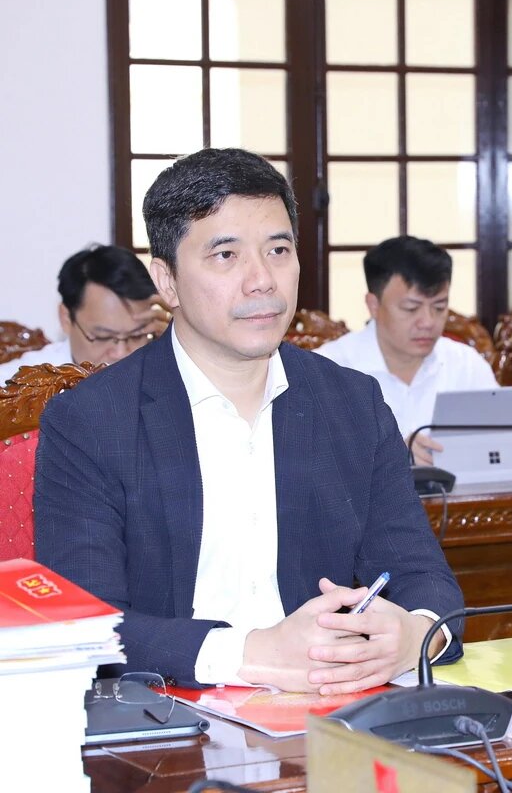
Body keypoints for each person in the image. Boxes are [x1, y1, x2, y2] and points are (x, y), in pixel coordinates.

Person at [34, 147, 464, 692]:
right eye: (226, 255)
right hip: (173, 712)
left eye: (278, 250)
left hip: (334, 710)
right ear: (166, 281)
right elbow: (86, 624)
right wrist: (248, 652)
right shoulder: (91, 420)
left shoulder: (353, 403)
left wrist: (414, 635)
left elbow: (424, 578)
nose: (262, 280)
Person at [316, 236, 498, 466]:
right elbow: (309, 461)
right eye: (411, 308)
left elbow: (501, 445)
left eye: (439, 307)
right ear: (373, 305)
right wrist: (387, 457)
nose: (428, 322)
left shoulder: (467, 366)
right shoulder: (328, 370)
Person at [0, 244, 161, 382]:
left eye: (137, 335)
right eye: (103, 337)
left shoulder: (163, 370)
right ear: (66, 319)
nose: (121, 354)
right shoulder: (17, 387)